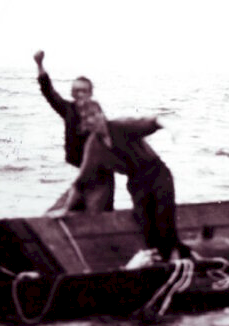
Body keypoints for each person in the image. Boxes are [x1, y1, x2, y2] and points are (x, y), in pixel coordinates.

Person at [51, 99, 191, 262]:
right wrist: (66, 209)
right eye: (85, 119)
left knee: (164, 218)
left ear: (101, 114)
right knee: (145, 223)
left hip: (158, 174)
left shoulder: (120, 126)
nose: (90, 121)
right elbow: (81, 181)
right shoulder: (94, 146)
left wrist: (172, 129)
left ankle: (176, 259)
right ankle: (159, 260)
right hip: (136, 182)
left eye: (93, 115)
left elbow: (152, 121)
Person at [34, 50, 115, 213]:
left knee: (97, 213)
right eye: (76, 91)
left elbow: (108, 138)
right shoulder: (68, 110)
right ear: (72, 93)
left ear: (90, 93)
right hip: (83, 172)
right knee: (62, 211)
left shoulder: (95, 110)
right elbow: (48, 92)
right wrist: (39, 65)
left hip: (101, 174)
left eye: (83, 90)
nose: (79, 94)